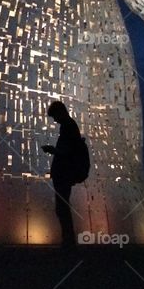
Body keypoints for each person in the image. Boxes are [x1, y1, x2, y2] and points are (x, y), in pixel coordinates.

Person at [41, 100, 81, 248]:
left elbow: (68, 151)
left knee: (62, 207)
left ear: (60, 112)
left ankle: (69, 241)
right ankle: (68, 240)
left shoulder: (68, 126)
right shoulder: (69, 126)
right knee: (62, 206)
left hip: (64, 173)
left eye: (55, 117)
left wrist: (53, 150)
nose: (55, 120)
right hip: (65, 172)